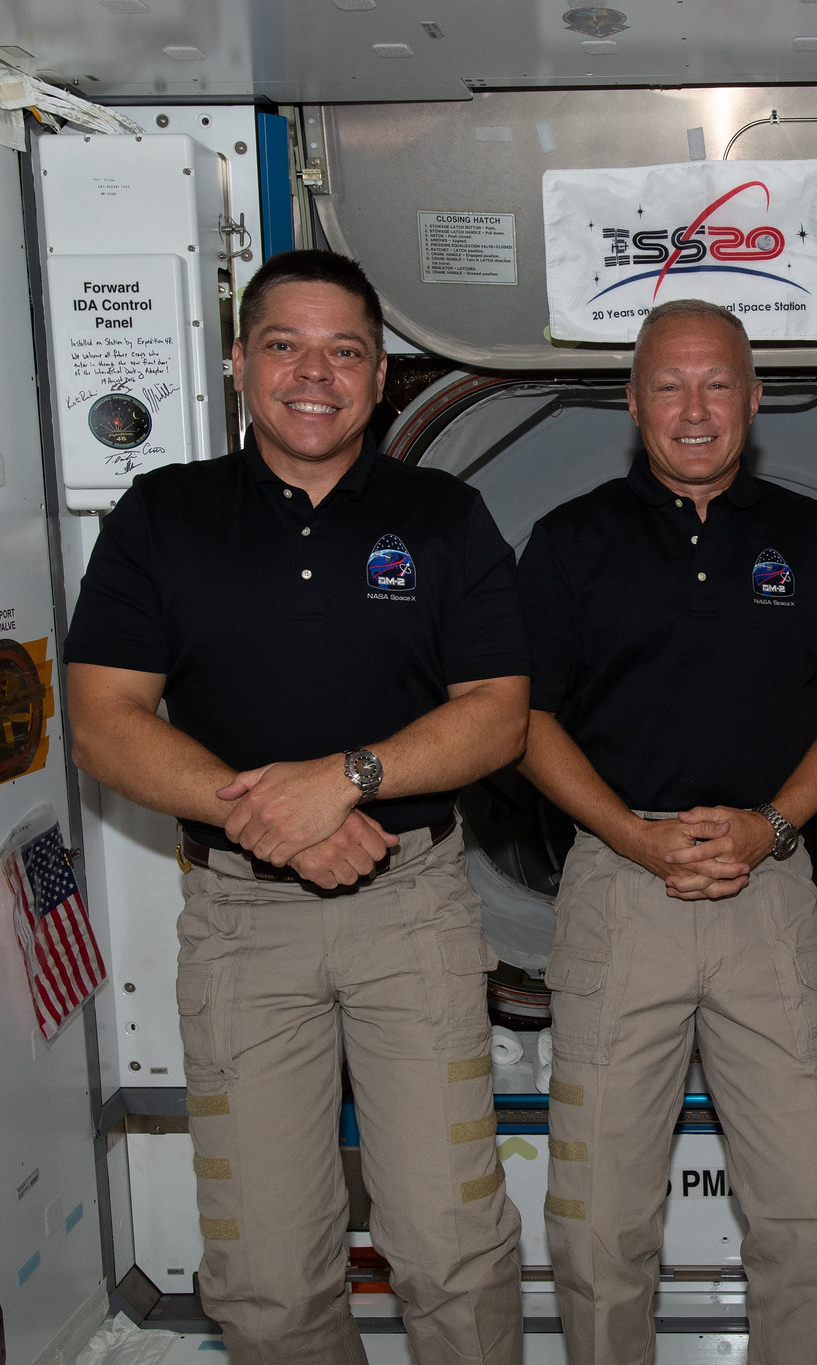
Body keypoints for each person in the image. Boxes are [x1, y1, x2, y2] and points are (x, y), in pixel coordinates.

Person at [65, 249, 527, 1365]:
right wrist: (267, 819)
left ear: (378, 378)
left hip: (410, 912)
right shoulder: (161, 516)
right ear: (237, 363)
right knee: (266, 1276)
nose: (312, 373)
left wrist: (343, 781)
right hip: (241, 922)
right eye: (284, 344)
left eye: (345, 352)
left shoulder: (444, 515)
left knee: (451, 1248)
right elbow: (103, 719)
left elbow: (498, 714)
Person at [516, 298, 817, 1364]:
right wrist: (631, 834)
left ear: (754, 400)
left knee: (807, 1212)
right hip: (622, 890)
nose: (694, 408)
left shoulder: (813, 540)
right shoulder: (570, 542)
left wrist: (770, 826)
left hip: (769, 887)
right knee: (599, 1216)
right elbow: (521, 722)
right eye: (668, 384)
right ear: (633, 404)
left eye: (717, 383)